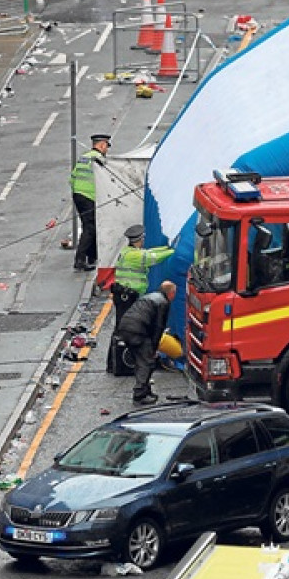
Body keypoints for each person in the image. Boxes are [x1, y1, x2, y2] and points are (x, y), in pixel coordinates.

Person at [106, 224, 176, 373]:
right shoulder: (135, 256)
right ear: (138, 239)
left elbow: (150, 251)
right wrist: (173, 251)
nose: (144, 241)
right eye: (143, 238)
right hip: (127, 297)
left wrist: (168, 247)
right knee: (125, 329)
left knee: (120, 328)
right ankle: (120, 363)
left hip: (124, 295)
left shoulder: (128, 251)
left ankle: (114, 363)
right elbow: (154, 257)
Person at [115, 280, 176, 404]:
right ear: (170, 293)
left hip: (125, 327)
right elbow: (158, 327)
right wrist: (154, 348)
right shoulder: (163, 303)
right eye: (174, 293)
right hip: (138, 331)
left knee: (140, 360)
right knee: (147, 361)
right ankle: (140, 394)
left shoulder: (150, 297)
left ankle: (146, 390)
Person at [69, 133, 110, 272]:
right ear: (102, 145)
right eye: (106, 147)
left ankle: (92, 256)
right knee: (90, 227)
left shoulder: (84, 157)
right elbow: (107, 178)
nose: (107, 150)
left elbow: (72, 178)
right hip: (89, 197)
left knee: (90, 226)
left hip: (78, 195)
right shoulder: (98, 159)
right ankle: (80, 260)